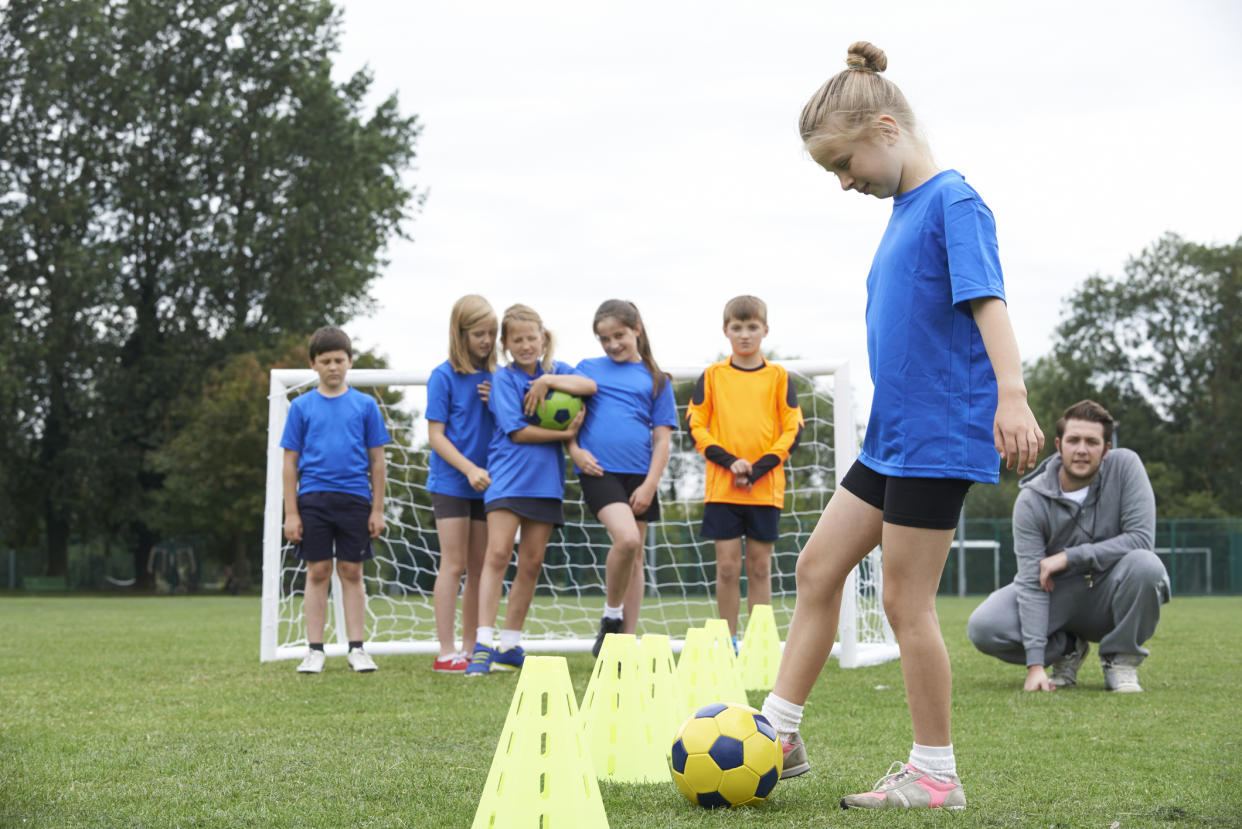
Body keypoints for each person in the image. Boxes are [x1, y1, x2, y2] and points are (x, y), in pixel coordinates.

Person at [758, 42, 1044, 810]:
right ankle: (778, 732)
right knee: (818, 569)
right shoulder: (903, 210)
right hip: (891, 437)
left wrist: (1011, 396)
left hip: (938, 435)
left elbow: (990, 302)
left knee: (903, 604)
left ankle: (934, 773)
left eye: (845, 164)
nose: (845, 181)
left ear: (885, 128)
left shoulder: (954, 201)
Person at [968, 400, 1169, 693]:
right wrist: (1035, 665)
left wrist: (1068, 557)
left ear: (1106, 449)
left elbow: (1140, 539)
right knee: (983, 627)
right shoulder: (1032, 500)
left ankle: (1120, 661)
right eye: (1074, 440)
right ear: (1059, 446)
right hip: (1057, 595)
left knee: (1147, 566)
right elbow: (1030, 581)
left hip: (1110, 592)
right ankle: (1067, 648)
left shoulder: (1126, 467)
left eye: (1092, 441)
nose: (1082, 450)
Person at [465, 304, 596, 676]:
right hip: (506, 477)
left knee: (532, 562)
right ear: (506, 345)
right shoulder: (503, 380)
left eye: (531, 338)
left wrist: (546, 382)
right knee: (498, 554)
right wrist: (567, 434)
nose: (525, 345)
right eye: (517, 340)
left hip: (546, 483)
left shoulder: (558, 372)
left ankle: (509, 644)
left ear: (543, 338)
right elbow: (518, 432)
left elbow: (590, 386)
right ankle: (483, 643)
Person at [686, 295, 804, 645]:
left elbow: (792, 429)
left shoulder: (778, 376)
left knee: (759, 566)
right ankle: (728, 642)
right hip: (723, 488)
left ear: (765, 330)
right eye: (737, 327)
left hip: (765, 488)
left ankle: (759, 642)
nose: (745, 334)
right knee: (726, 568)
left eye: (752, 327)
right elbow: (696, 425)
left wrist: (757, 468)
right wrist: (730, 461)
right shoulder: (712, 376)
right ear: (726, 331)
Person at [569, 300, 678, 657]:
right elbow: (568, 417)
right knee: (627, 540)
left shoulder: (656, 379)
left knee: (636, 559)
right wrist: (574, 450)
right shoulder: (587, 369)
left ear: (637, 330)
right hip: (598, 471)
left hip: (640, 476)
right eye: (604, 339)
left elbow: (662, 438)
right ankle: (611, 616)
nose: (613, 344)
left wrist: (650, 485)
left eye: (619, 335)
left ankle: (622, 646)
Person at [281, 326, 390, 674]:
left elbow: (377, 461)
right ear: (313, 364)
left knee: (352, 571)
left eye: (339, 360)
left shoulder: (365, 405)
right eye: (325, 361)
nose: (333, 367)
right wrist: (291, 513)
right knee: (318, 572)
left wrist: (377, 509)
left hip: (356, 500)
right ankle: (314, 649)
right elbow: (289, 463)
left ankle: (357, 648)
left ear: (349, 361)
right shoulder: (300, 407)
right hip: (312, 499)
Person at [426, 295, 498, 673]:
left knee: (480, 566)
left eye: (491, 333)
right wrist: (469, 468)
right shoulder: (442, 376)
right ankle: (446, 650)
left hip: (490, 486)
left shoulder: (498, 378)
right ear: (461, 333)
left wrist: (498, 401)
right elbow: (436, 436)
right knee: (452, 564)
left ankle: (472, 649)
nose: (486, 341)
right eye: (478, 334)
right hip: (451, 482)